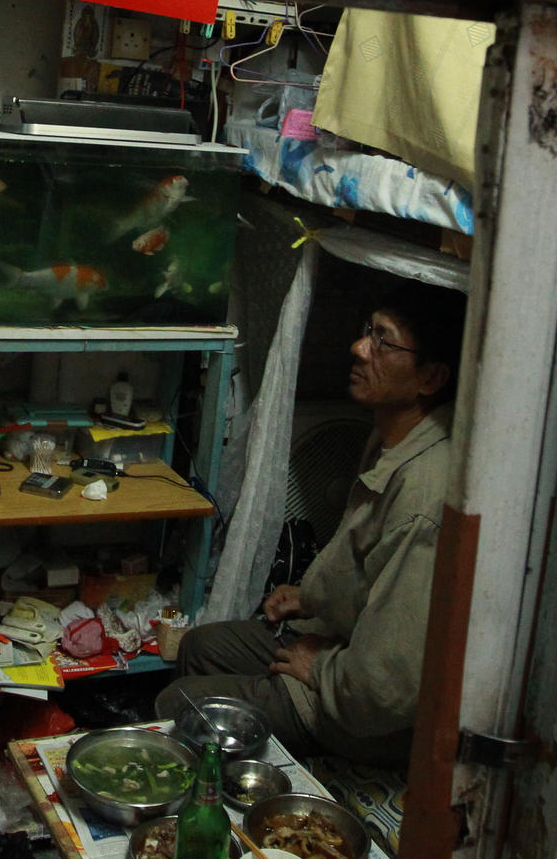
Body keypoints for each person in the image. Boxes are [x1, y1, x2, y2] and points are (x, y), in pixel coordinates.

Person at [157, 283, 463, 765]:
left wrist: (319, 668)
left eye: (384, 341)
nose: (359, 349)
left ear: (431, 377)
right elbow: (366, 565)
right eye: (368, 332)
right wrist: (311, 595)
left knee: (179, 706)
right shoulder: (392, 436)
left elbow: (387, 689)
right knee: (200, 644)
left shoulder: (426, 490)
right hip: (343, 646)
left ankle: (220, 801)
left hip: (363, 710)